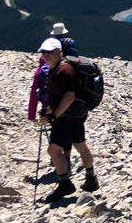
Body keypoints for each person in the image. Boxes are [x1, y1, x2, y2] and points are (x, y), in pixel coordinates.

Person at [37, 37, 99, 201]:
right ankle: (91, 179)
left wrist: (53, 115)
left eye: (50, 52)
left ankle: (65, 184)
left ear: (59, 52)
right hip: (76, 116)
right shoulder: (60, 68)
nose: (46, 55)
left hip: (66, 119)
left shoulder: (63, 71)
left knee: (53, 150)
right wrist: (48, 111)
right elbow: (59, 97)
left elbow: (69, 96)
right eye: (44, 52)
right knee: (80, 145)